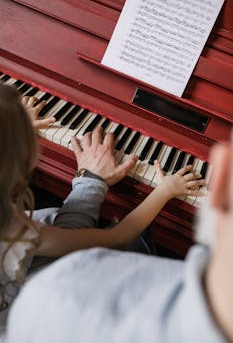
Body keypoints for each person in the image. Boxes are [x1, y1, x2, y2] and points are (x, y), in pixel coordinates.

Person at [0, 83, 203, 339]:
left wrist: (15, 134)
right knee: (135, 247)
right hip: (23, 320)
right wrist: (165, 190)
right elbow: (116, 236)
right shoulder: (14, 231)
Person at [5, 138, 233, 341]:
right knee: (141, 235)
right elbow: (117, 238)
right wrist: (165, 190)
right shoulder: (49, 284)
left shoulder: (35, 301)